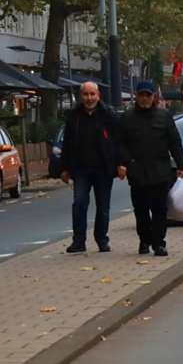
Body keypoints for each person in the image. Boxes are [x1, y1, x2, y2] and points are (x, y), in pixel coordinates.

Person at [117, 80, 183, 257]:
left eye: (148, 95)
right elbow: (120, 143)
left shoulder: (164, 116)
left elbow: (175, 141)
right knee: (140, 210)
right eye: (141, 95)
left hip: (160, 169)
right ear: (136, 95)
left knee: (159, 209)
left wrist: (181, 165)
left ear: (153, 96)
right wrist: (125, 162)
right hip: (137, 170)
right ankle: (144, 240)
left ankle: (159, 243)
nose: (144, 98)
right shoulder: (127, 117)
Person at [61, 81, 119, 254]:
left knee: (103, 206)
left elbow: (118, 142)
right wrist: (64, 168)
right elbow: (67, 143)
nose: (89, 98)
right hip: (81, 169)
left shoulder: (109, 116)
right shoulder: (73, 116)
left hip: (103, 169)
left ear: (98, 95)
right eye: (85, 94)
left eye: (92, 94)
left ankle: (102, 240)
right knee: (79, 204)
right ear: (81, 96)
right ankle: (78, 241)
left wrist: (120, 164)